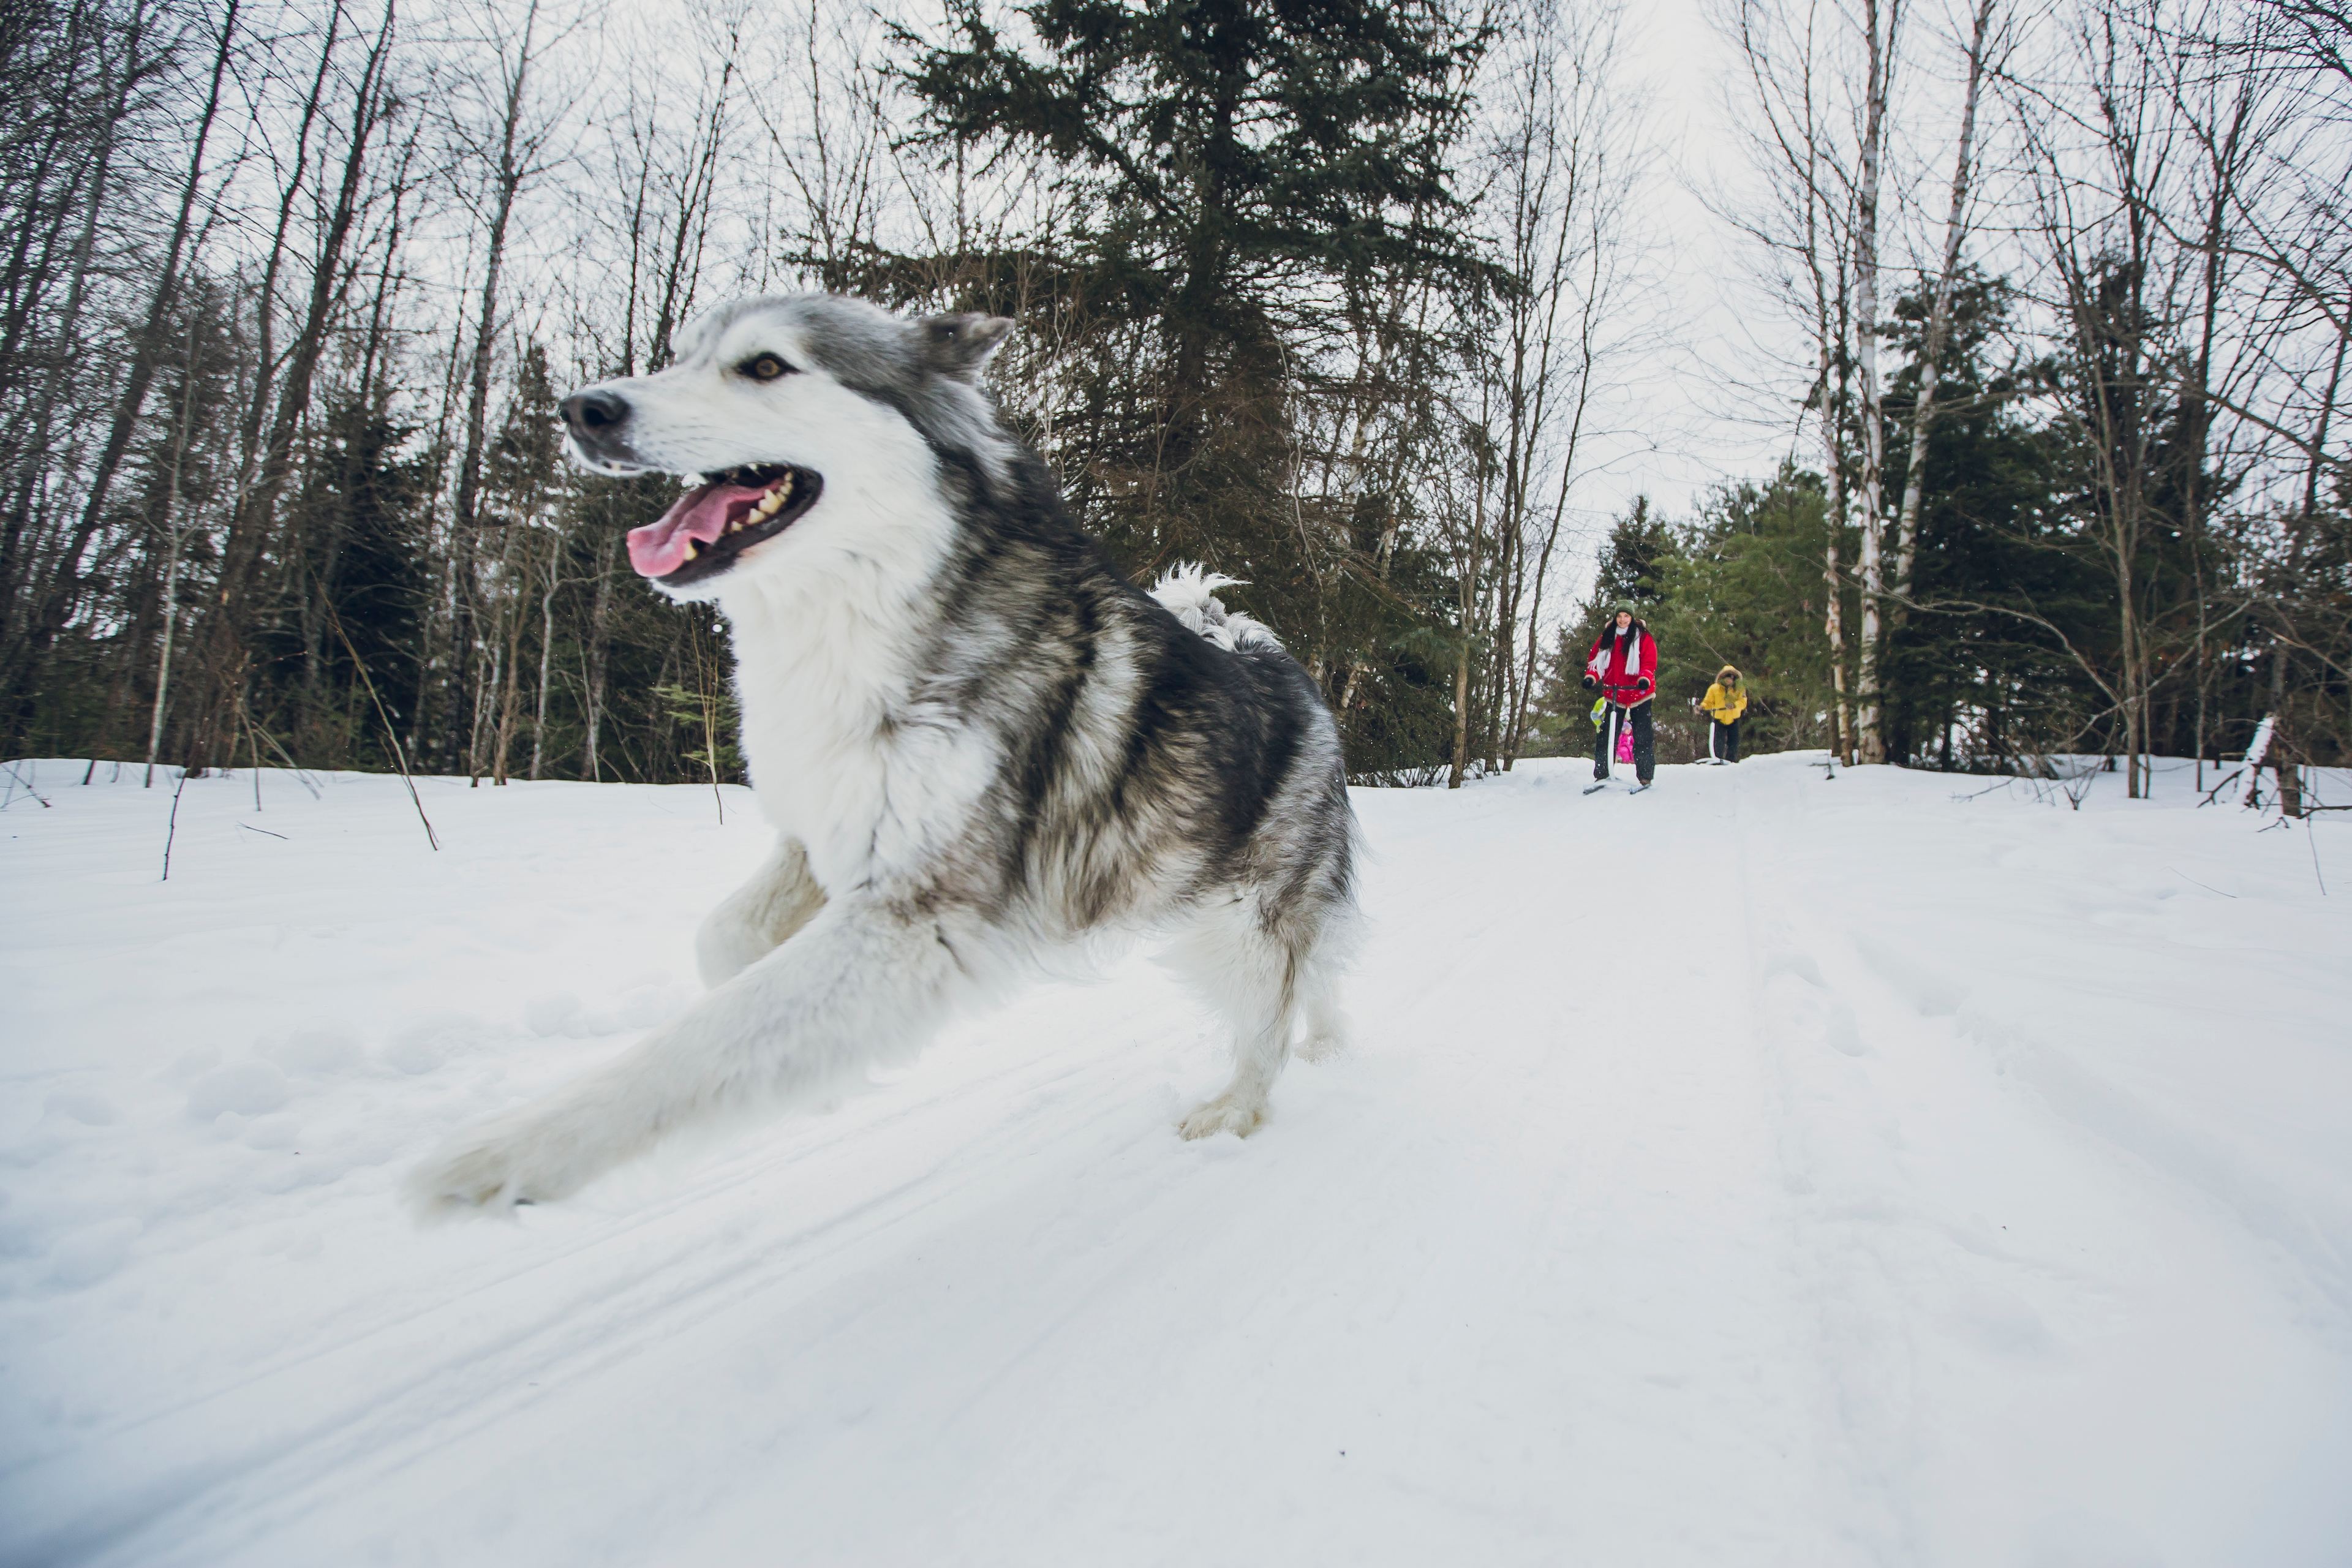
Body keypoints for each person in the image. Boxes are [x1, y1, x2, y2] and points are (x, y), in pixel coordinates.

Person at [1580, 606, 1658, 789]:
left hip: (1639, 692)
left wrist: (1644, 677)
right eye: (1619, 616)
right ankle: (1602, 773)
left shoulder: (1643, 636)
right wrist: (1591, 677)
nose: (1623, 620)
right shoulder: (1608, 636)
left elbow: (1649, 661)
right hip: (1615, 692)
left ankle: (1645, 776)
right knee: (1607, 734)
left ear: (1632, 617)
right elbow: (1596, 659)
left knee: (1642, 734)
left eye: (1626, 616)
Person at [1700, 665, 1747, 763]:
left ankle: (1731, 762)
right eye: (1728, 677)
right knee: (1718, 742)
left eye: (1732, 678)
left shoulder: (1740, 689)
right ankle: (1718, 760)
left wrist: (1734, 705)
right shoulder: (1714, 689)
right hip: (1719, 719)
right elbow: (1708, 702)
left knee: (1733, 743)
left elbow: (1743, 703)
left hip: (1734, 719)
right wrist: (1702, 707)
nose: (1730, 680)